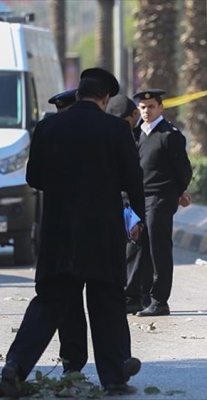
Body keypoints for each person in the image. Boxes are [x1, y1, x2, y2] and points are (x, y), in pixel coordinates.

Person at [0, 68, 146, 397]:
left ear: (78, 94)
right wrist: (140, 218)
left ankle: (15, 367)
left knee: (49, 302)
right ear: (105, 99)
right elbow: (132, 181)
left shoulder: (49, 126)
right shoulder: (115, 129)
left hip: (58, 234)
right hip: (102, 234)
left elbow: (34, 177)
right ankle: (113, 379)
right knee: (106, 302)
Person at [126, 89, 193, 317]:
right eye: (143, 107)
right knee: (138, 246)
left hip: (160, 198)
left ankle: (159, 300)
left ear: (161, 108)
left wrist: (178, 192)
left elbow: (183, 170)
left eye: (151, 106)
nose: (147, 111)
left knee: (158, 248)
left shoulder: (169, 134)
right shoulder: (138, 134)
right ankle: (139, 297)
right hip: (139, 198)